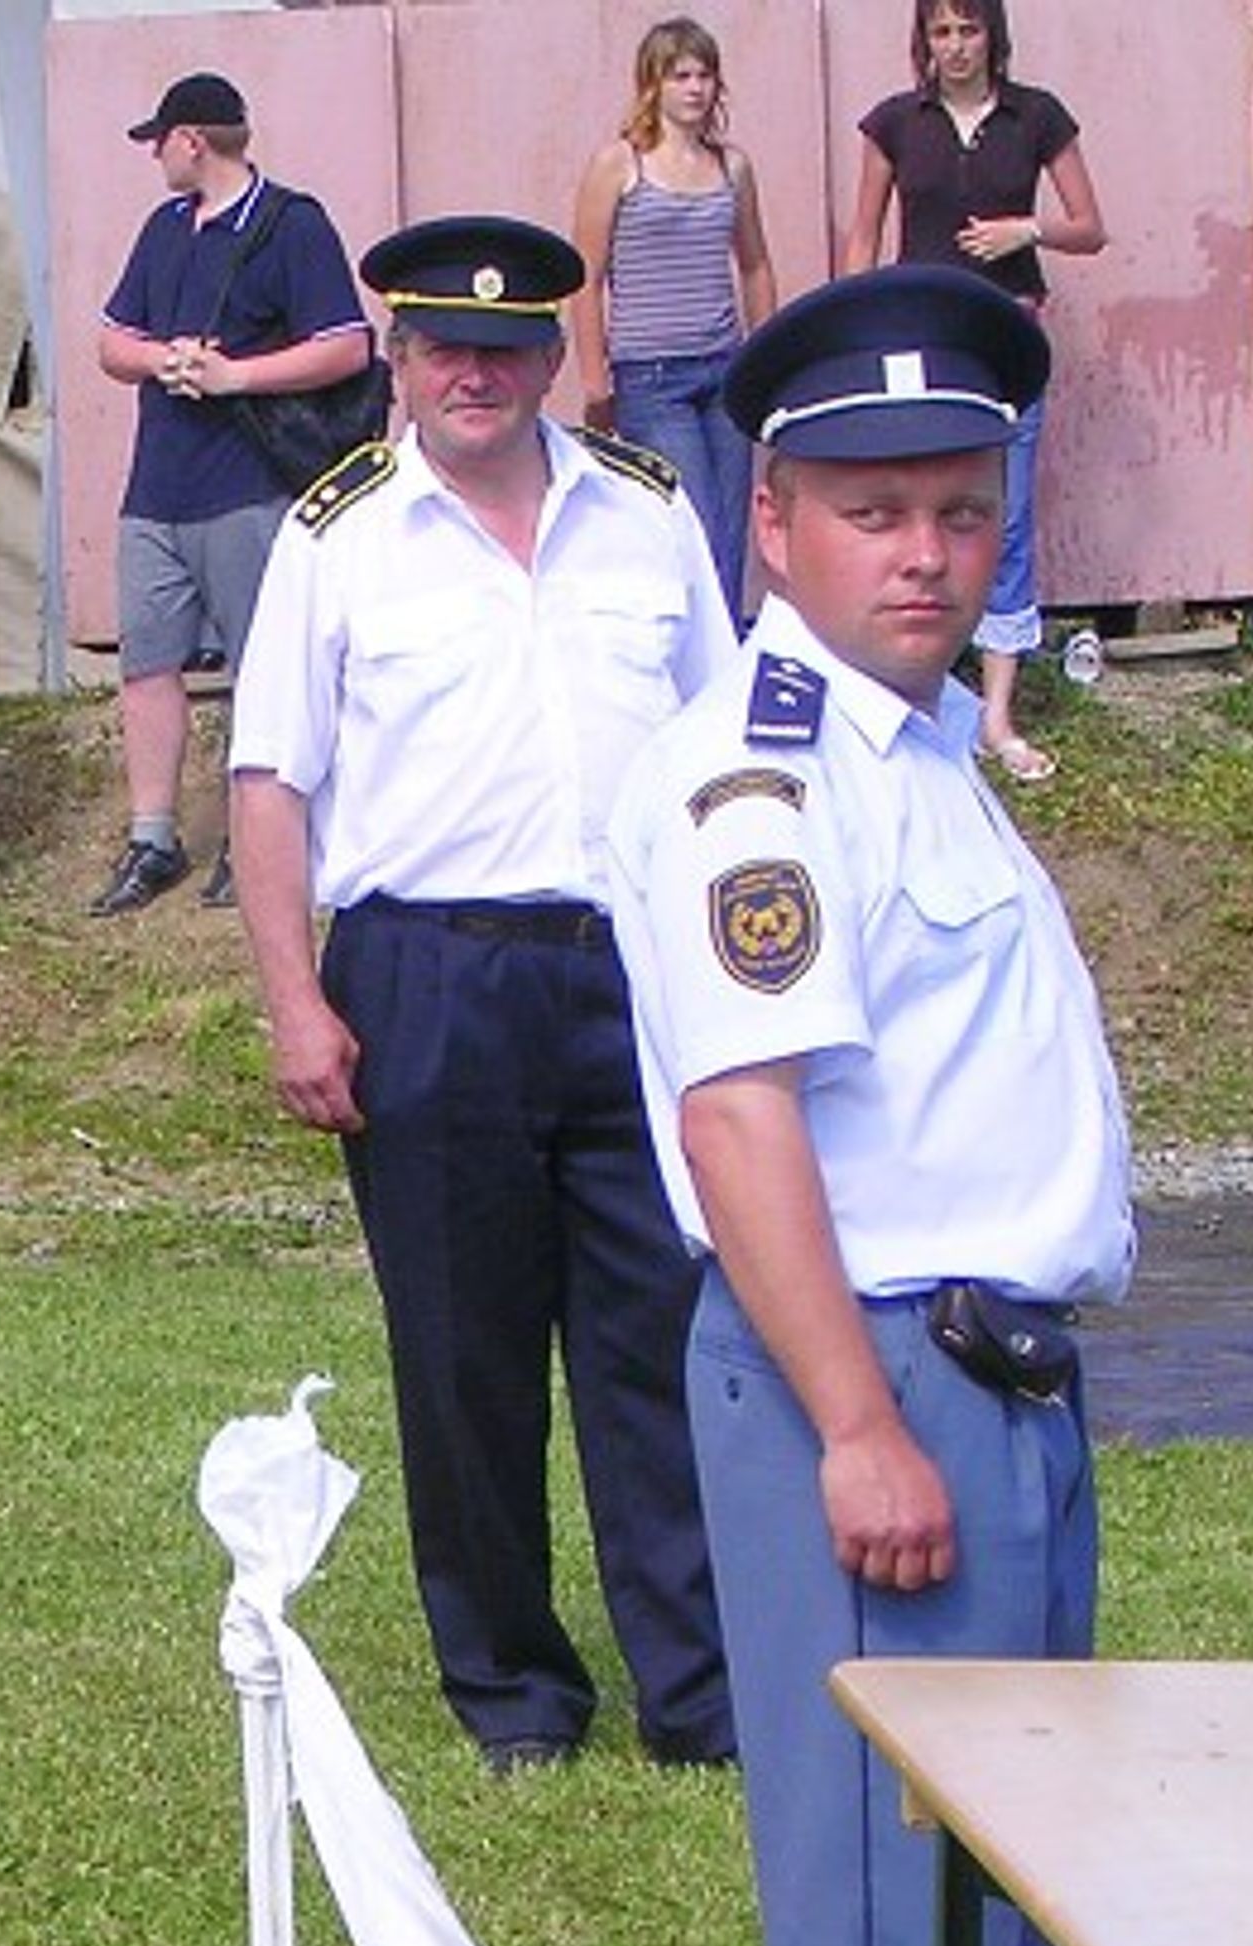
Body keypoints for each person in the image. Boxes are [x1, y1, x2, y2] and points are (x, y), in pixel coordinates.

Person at [601, 266, 1164, 1946]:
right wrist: (854, 1423)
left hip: (987, 1382)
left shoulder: (914, 750)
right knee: (883, 1916)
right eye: (870, 512)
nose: (924, 556)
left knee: (996, 1902)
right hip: (876, 1375)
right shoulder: (754, 777)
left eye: (958, 509)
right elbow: (743, 1122)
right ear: (771, 519)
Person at [227, 214, 736, 1778]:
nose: (476, 373)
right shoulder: (338, 534)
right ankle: (514, 1693)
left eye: (508, 349)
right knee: (465, 1360)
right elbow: (268, 781)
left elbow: (726, 758)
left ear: (554, 359)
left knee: (665, 1344)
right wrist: (294, 1000)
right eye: (445, 345)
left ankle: (702, 1694)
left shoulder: (648, 514)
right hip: (427, 976)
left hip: (634, 973)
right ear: (396, 356)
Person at [87, 72, 370, 920]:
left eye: (160, 142)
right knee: (148, 664)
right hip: (157, 485)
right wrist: (165, 359)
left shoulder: (294, 223)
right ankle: (153, 837)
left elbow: (348, 346)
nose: (156, 157)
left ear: (191, 141)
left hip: (249, 484)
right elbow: (112, 342)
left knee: (263, 669)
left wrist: (235, 375)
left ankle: (257, 840)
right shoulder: (164, 228)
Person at [841, 0, 1103, 782]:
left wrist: (1029, 230)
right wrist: (852, 328)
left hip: (1005, 337)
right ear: (924, 42)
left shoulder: (1037, 116)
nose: (955, 47)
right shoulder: (895, 121)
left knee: (1006, 515)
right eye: (941, 32)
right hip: (920, 340)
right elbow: (864, 236)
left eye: (969, 30)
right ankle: (907, 692)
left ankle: (995, 717)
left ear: (994, 36)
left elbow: (1090, 226)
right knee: (913, 507)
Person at [574, 20, 780, 625]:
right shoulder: (620, 165)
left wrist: (767, 360)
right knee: (693, 523)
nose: (694, 88)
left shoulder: (731, 167)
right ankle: (690, 654)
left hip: (725, 369)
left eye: (704, 75)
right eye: (680, 75)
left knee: (731, 531)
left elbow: (755, 264)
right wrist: (595, 380)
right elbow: (586, 277)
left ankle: (722, 654)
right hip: (652, 376)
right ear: (653, 84)